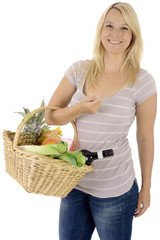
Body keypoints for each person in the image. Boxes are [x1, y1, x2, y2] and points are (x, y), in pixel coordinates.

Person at [45, 2, 157, 240]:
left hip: (116, 189)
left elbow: (145, 137)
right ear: (100, 30)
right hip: (74, 183)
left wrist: (146, 188)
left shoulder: (142, 81)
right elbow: (49, 115)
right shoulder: (79, 70)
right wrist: (78, 109)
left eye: (124, 28)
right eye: (109, 26)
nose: (115, 34)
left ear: (133, 34)